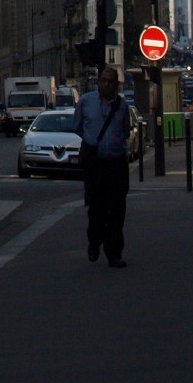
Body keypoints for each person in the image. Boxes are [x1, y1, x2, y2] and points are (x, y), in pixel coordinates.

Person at [73, 67, 132, 268]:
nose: (107, 84)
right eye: (104, 80)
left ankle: (114, 252)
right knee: (97, 209)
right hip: (95, 164)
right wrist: (91, 141)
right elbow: (77, 126)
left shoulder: (122, 106)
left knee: (117, 210)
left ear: (116, 85)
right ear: (98, 82)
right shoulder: (86, 102)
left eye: (111, 82)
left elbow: (125, 131)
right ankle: (94, 241)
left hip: (116, 162)